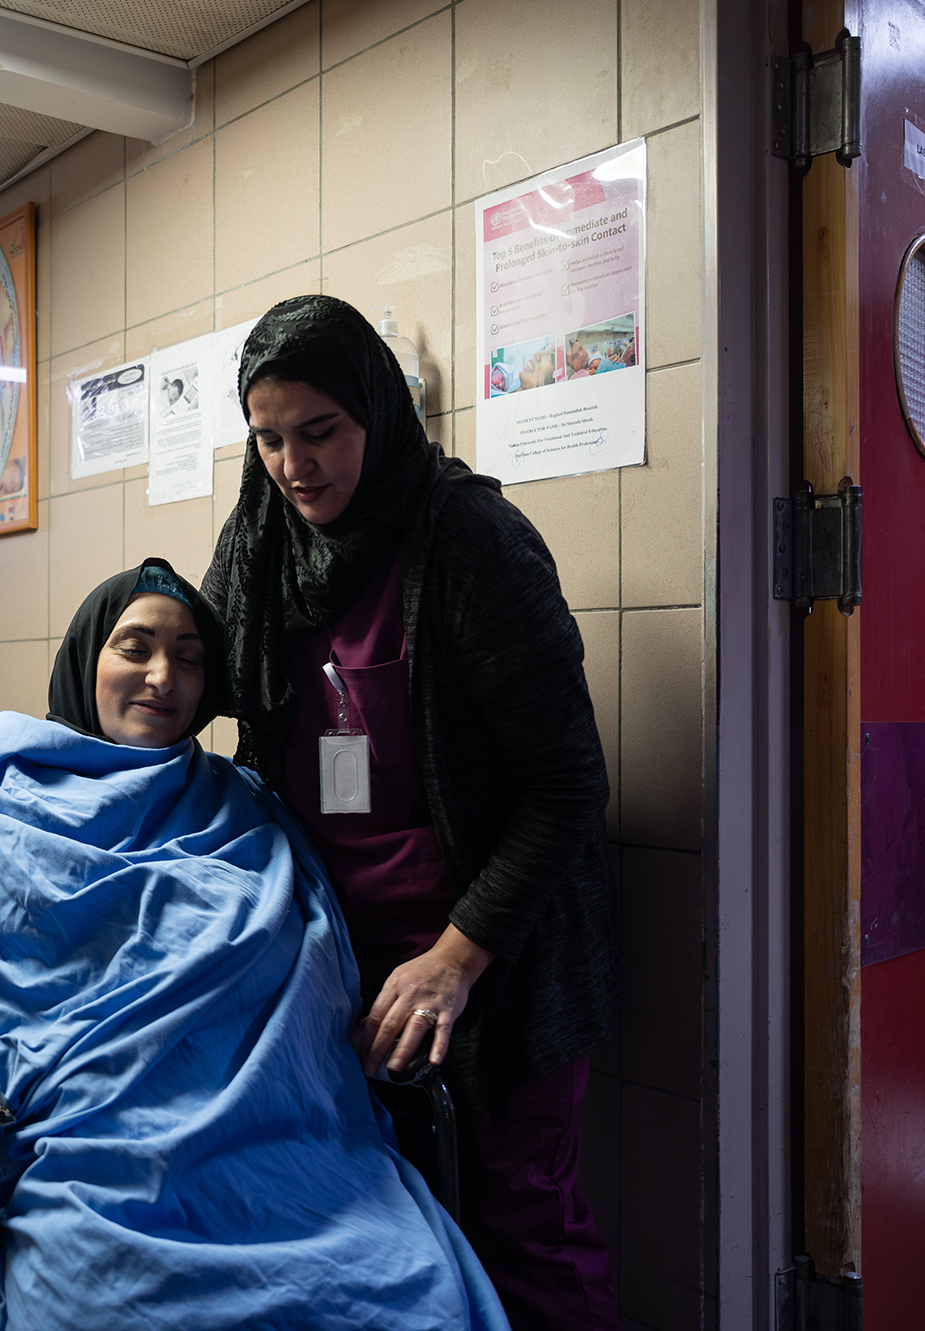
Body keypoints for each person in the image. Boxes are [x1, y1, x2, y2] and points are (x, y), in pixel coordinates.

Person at [0, 558, 506, 1331]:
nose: (162, 676)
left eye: (188, 656)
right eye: (134, 647)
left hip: (288, 1143)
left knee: (419, 1293)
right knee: (107, 1298)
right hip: (93, 1152)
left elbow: (307, 982)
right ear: (86, 656)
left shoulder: (241, 806)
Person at [203, 295, 619, 1330]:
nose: (293, 464)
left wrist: (454, 958)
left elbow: (566, 781)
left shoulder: (466, 539)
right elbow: (186, 676)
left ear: (376, 414)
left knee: (518, 1222)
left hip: (493, 960)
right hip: (344, 962)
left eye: (319, 431)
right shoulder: (260, 540)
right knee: (386, 1228)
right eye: (267, 437)